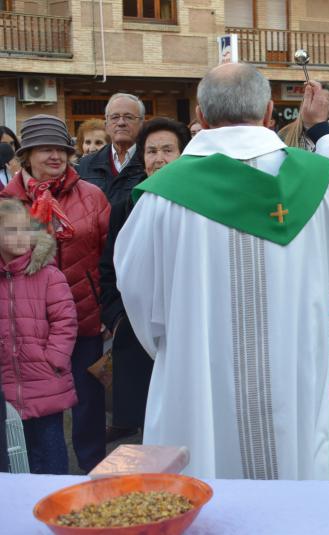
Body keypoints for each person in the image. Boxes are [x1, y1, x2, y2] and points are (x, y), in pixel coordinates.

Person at [114, 63, 329, 480]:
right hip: (290, 366)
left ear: (201, 117)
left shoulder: (163, 198)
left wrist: (180, 348)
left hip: (198, 371)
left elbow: (137, 289)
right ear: (271, 112)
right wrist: (321, 130)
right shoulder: (319, 181)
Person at [1, 114, 110, 473]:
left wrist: (107, 308)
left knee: (88, 406)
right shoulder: (7, 201)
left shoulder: (91, 195)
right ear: (27, 154)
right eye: (45, 149)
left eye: (61, 149)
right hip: (23, 327)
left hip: (83, 316)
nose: (55, 156)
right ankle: (39, 483)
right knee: (36, 416)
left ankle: (93, 477)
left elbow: (110, 256)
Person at [100, 118, 191, 438]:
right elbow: (109, 268)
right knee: (147, 431)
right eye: (151, 151)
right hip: (137, 332)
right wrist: (118, 319)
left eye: (168, 149)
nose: (159, 158)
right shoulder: (127, 206)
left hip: (186, 331)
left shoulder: (198, 205)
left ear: (184, 154)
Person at [0, 199, 78, 474]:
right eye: (11, 231)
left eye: (25, 229)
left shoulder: (47, 275)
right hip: (7, 384)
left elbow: (65, 321)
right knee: (15, 459)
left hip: (44, 381)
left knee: (51, 453)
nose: (21, 237)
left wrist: (53, 360)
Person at [77, 93, 147, 206]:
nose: (121, 123)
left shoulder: (150, 164)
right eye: (114, 117)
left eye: (129, 117)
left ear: (142, 124)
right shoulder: (84, 165)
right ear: (106, 125)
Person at [279, 82, 329, 149]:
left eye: (325, 101)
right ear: (304, 104)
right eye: (313, 100)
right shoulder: (284, 134)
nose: (319, 106)